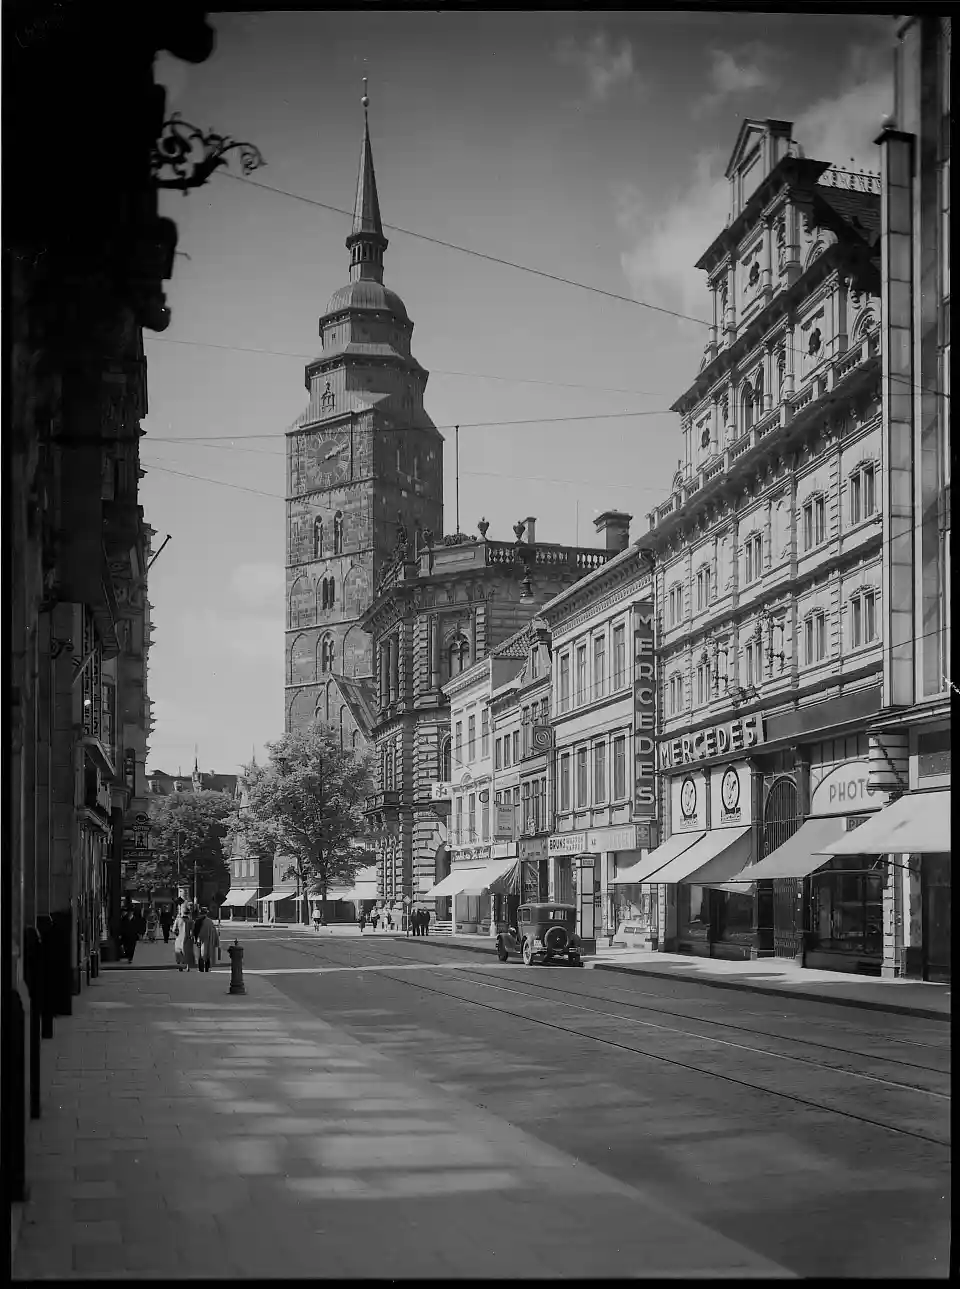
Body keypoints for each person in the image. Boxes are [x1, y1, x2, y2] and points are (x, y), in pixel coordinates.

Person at [193, 907, 220, 973]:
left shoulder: (198, 920)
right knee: (207, 955)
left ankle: (201, 969)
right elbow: (214, 931)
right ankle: (207, 969)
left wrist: (195, 939)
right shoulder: (209, 921)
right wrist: (216, 942)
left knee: (201, 955)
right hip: (209, 940)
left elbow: (195, 931)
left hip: (200, 940)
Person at [173, 905, 196, 972]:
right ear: (188, 913)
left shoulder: (178, 920)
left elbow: (174, 930)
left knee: (179, 953)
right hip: (188, 940)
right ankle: (187, 967)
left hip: (179, 939)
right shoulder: (191, 921)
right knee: (187, 953)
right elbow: (193, 931)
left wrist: (177, 934)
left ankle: (180, 966)